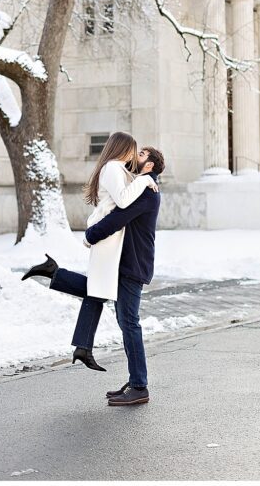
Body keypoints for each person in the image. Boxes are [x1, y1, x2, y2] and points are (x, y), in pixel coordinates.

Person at [22, 141, 165, 406]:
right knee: (105, 299)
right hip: (125, 263)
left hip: (132, 265)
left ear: (150, 165)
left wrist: (91, 234)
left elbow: (118, 217)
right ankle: (136, 381)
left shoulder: (147, 191)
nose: (136, 156)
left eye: (141, 154)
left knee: (129, 323)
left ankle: (139, 386)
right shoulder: (141, 186)